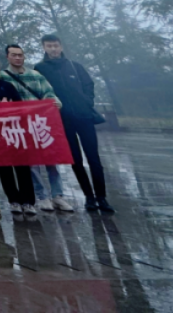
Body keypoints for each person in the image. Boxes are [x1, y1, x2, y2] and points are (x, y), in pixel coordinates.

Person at [35, 35, 115, 214]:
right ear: (44, 48)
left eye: (56, 45)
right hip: (62, 120)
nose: (53, 49)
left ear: (61, 46)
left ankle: (101, 197)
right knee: (75, 160)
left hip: (84, 117)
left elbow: (89, 84)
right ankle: (89, 197)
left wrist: (87, 102)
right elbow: (38, 90)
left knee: (94, 159)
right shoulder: (40, 69)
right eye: (49, 46)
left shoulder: (74, 66)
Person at [0, 44, 73, 212]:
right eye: (14, 55)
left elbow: (49, 93)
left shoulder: (36, 75)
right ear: (7, 57)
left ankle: (58, 195)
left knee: (51, 160)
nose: (18, 58)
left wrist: (54, 102)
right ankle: (42, 196)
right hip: (20, 126)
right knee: (32, 164)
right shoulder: (2, 76)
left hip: (41, 123)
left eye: (20, 55)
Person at [0, 57, 36, 216]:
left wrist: (7, 107)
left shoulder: (8, 86)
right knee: (4, 169)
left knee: (22, 167)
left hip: (13, 131)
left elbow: (20, 106)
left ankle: (28, 202)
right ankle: (14, 201)